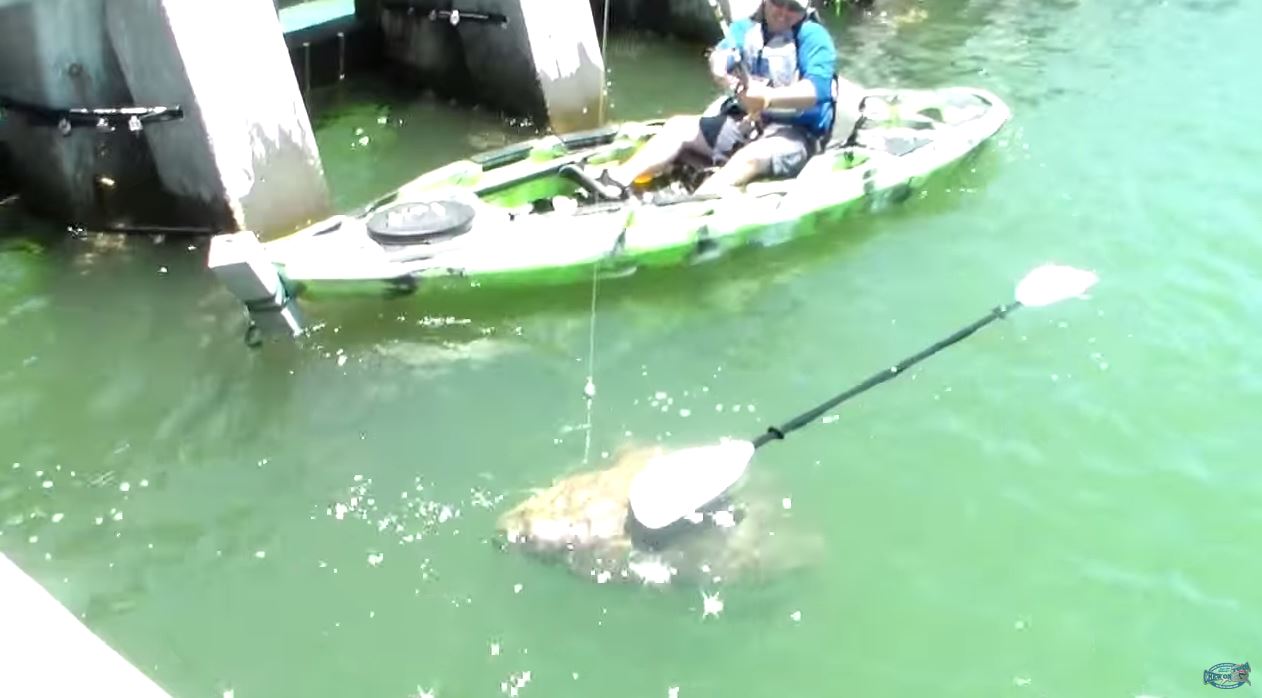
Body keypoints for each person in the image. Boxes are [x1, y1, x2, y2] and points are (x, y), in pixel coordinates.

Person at [562, 0, 855, 201]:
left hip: (796, 134)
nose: (783, 12)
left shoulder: (814, 38)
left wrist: (767, 97)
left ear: (803, 10)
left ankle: (696, 205)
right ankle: (615, 181)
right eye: (778, 1)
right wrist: (720, 66)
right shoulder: (745, 29)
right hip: (745, 124)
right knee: (678, 128)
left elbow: (815, 91)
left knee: (749, 158)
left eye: (793, 7)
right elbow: (720, 54)